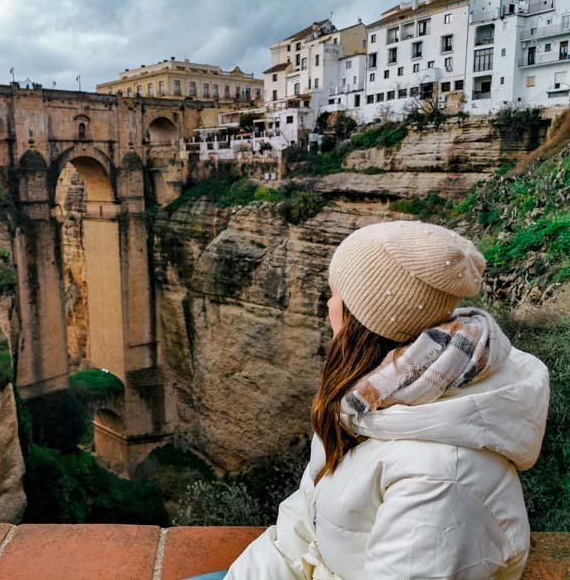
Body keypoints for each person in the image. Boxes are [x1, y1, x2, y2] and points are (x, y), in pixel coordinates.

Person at [188, 221, 550, 580]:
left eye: (335, 294)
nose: (329, 304)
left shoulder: (442, 479)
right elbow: (301, 530)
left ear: (359, 319)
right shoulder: (366, 399)